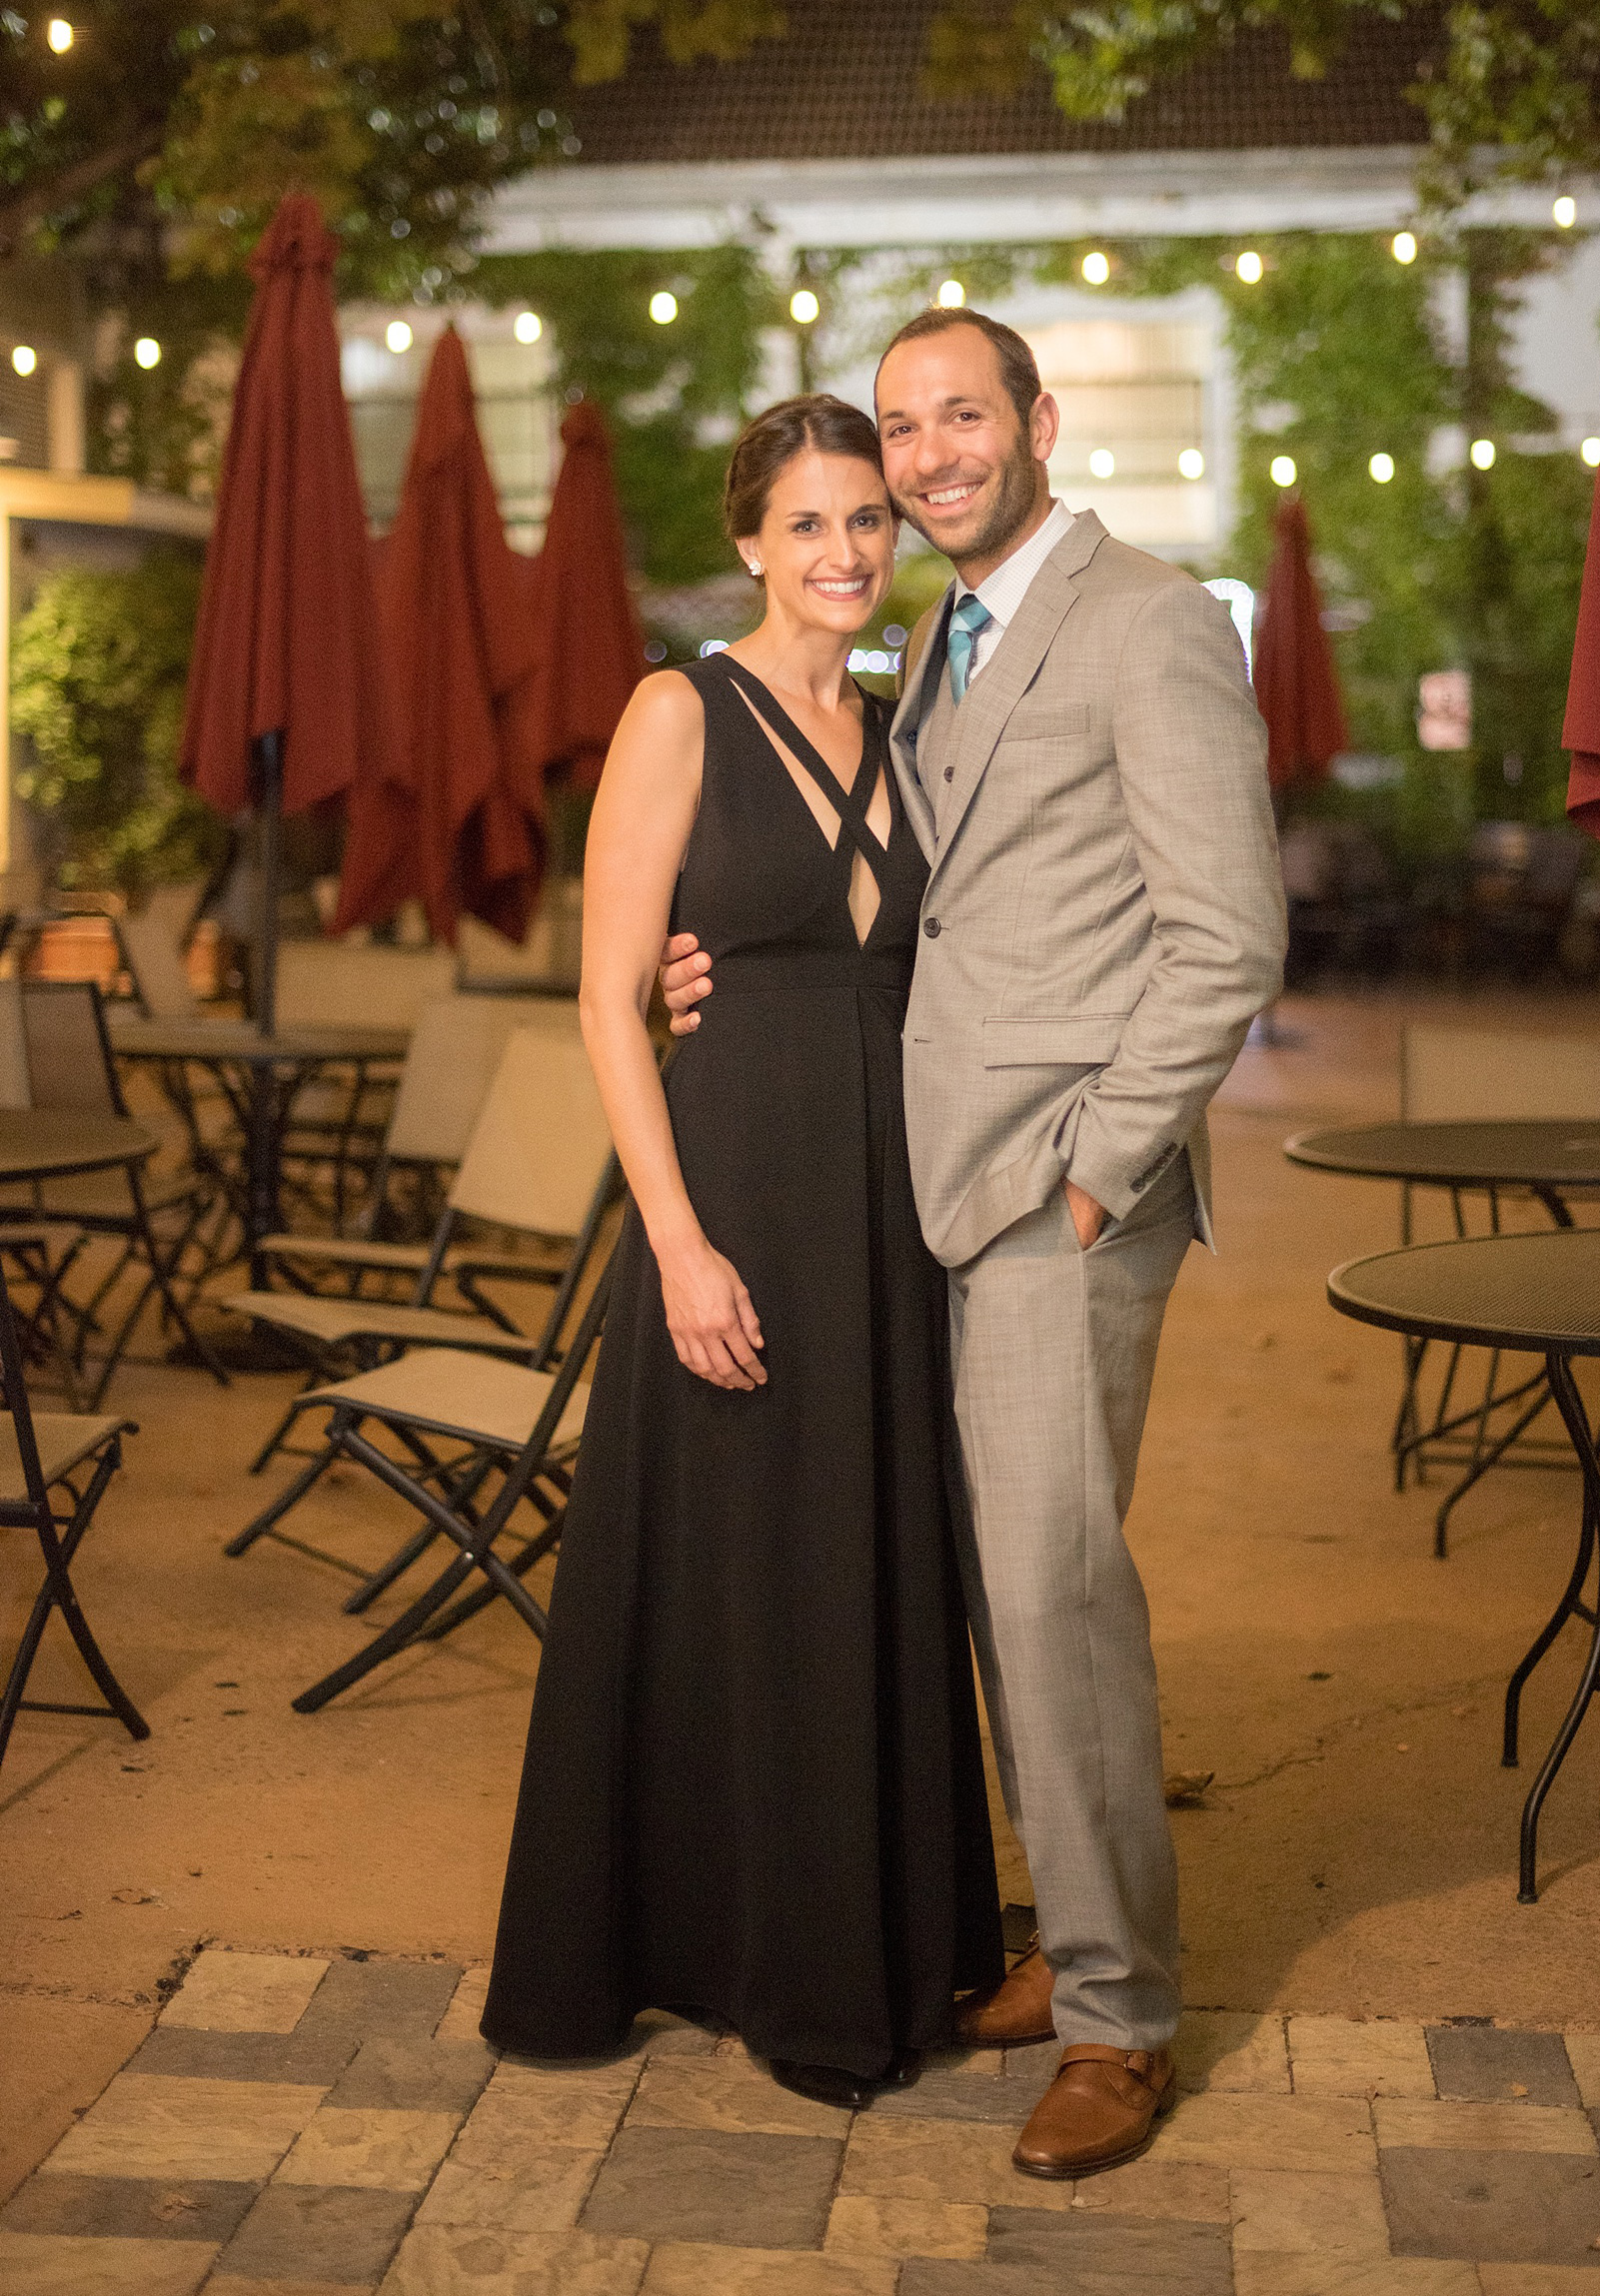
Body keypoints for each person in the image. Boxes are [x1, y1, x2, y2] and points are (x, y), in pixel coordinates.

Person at [662, 309, 1286, 2179]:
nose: (927, 457)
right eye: (906, 425)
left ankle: (1118, 2017)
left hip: (1050, 1200)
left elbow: (1229, 936)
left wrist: (1095, 1173)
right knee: (994, 1597)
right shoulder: (935, 633)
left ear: (1038, 420)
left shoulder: (1150, 617)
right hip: (919, 1187)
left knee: (1049, 1597)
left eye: (961, 417)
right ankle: (1072, 1942)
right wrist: (720, 966)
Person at [480, 394, 1005, 2106]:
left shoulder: (909, 717)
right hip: (737, 1205)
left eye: (868, 519)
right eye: (809, 524)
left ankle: (881, 1944)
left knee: (866, 1558)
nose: (848, 551)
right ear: (749, 542)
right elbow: (609, 998)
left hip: (891, 1213)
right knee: (743, 1579)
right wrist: (678, 1241)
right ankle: (755, 1958)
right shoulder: (674, 707)